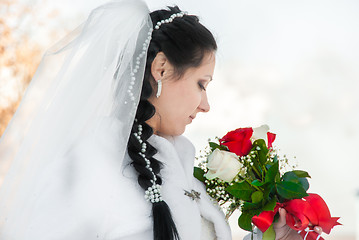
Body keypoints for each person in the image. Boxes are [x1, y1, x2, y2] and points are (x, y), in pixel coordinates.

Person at [0, 0, 322, 239]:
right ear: (162, 69)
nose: (206, 105)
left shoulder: (183, 169)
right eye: (201, 84)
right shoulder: (91, 165)